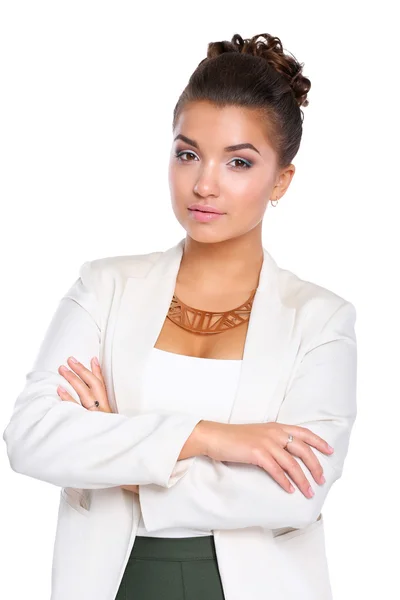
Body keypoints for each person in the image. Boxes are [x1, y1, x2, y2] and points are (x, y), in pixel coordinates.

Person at [2, 32, 357, 600]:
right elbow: (31, 437)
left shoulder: (319, 320)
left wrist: (115, 458)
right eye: (187, 153)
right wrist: (209, 437)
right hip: (113, 580)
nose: (204, 183)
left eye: (239, 162)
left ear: (281, 181)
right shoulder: (104, 287)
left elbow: (298, 491)